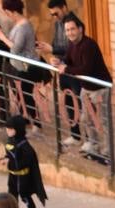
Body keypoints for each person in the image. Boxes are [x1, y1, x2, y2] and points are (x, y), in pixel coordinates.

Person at [56, 14, 111, 159]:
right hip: (86, 88)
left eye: (72, 29)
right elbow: (67, 60)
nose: (70, 33)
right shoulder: (72, 44)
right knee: (86, 118)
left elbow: (85, 69)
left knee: (103, 121)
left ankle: (107, 150)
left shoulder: (89, 45)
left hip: (100, 88)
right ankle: (93, 145)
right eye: (67, 30)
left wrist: (66, 69)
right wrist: (58, 61)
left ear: (80, 29)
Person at [0, 0, 45, 126]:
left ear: (12, 11)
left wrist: (2, 37)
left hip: (25, 68)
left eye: (7, 12)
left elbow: (16, 49)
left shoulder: (23, 26)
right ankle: (27, 121)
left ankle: (36, 124)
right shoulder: (19, 24)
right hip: (18, 66)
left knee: (26, 97)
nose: (7, 14)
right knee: (21, 96)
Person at [39, 0, 83, 145]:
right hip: (64, 70)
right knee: (69, 103)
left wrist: (53, 50)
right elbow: (57, 44)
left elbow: (72, 47)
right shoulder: (59, 23)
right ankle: (75, 135)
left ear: (64, 8)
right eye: (52, 14)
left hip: (76, 71)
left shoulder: (75, 24)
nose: (54, 17)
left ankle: (90, 140)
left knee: (82, 106)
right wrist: (54, 57)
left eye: (56, 13)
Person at [3, 115, 47, 208]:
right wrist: (5, 158)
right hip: (12, 175)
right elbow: (10, 154)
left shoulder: (24, 145)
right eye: (7, 128)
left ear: (17, 130)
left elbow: (25, 162)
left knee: (24, 195)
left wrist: (10, 161)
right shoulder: (10, 141)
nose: (7, 131)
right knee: (11, 196)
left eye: (10, 129)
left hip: (22, 176)